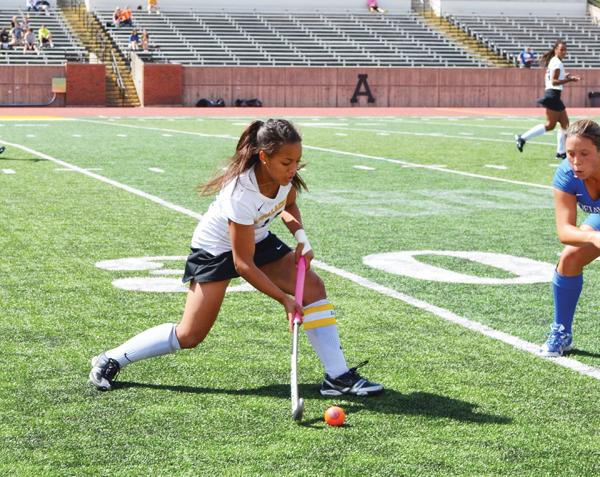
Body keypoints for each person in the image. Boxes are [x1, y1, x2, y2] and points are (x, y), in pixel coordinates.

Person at [89, 119, 384, 398]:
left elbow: (288, 205)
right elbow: (243, 264)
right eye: (287, 162)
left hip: (256, 239)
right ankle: (112, 357)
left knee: (313, 290)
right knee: (190, 334)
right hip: (215, 252)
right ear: (264, 157)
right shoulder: (240, 193)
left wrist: (301, 238)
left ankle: (338, 377)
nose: (294, 169)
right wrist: (284, 300)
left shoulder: (284, 177)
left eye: (297, 161)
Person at [539, 119, 600, 356]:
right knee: (569, 258)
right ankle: (561, 333)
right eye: (571, 153)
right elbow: (565, 231)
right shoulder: (566, 173)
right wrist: (595, 239)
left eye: (584, 153)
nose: (576, 161)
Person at [515, 40, 581, 161]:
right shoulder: (557, 62)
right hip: (553, 95)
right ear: (556, 50)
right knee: (552, 125)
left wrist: (566, 76)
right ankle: (522, 138)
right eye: (561, 49)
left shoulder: (555, 61)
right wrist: (570, 80)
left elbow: (554, 77)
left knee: (564, 125)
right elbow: (554, 81)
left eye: (565, 50)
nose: (564, 52)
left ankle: (560, 152)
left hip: (554, 95)